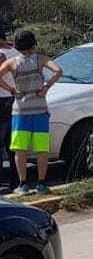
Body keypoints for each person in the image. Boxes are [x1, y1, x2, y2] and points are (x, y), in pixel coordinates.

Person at [0, 31, 62, 195]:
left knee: (20, 149)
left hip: (20, 110)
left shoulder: (12, 63)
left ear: (17, 46)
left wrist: (12, 90)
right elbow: (58, 71)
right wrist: (46, 88)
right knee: (42, 149)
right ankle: (41, 183)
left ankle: (23, 184)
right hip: (40, 109)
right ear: (34, 44)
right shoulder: (40, 59)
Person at [0, 30, 18, 190]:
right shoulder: (15, 51)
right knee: (11, 143)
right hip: (12, 100)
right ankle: (15, 180)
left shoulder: (1, 54)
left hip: (2, 99)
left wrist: (9, 89)